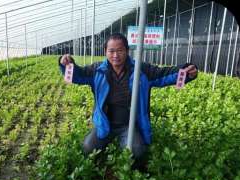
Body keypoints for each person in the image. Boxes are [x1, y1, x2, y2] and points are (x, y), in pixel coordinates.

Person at [58, 33, 198, 168]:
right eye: (111, 51)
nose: (115, 55)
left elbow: (163, 75)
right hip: (105, 123)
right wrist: (66, 64)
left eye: (120, 50)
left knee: (136, 151)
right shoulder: (97, 70)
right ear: (105, 52)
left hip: (130, 125)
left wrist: (185, 71)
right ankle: (102, 164)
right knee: (88, 147)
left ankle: (133, 171)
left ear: (127, 51)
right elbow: (78, 75)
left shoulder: (140, 70)